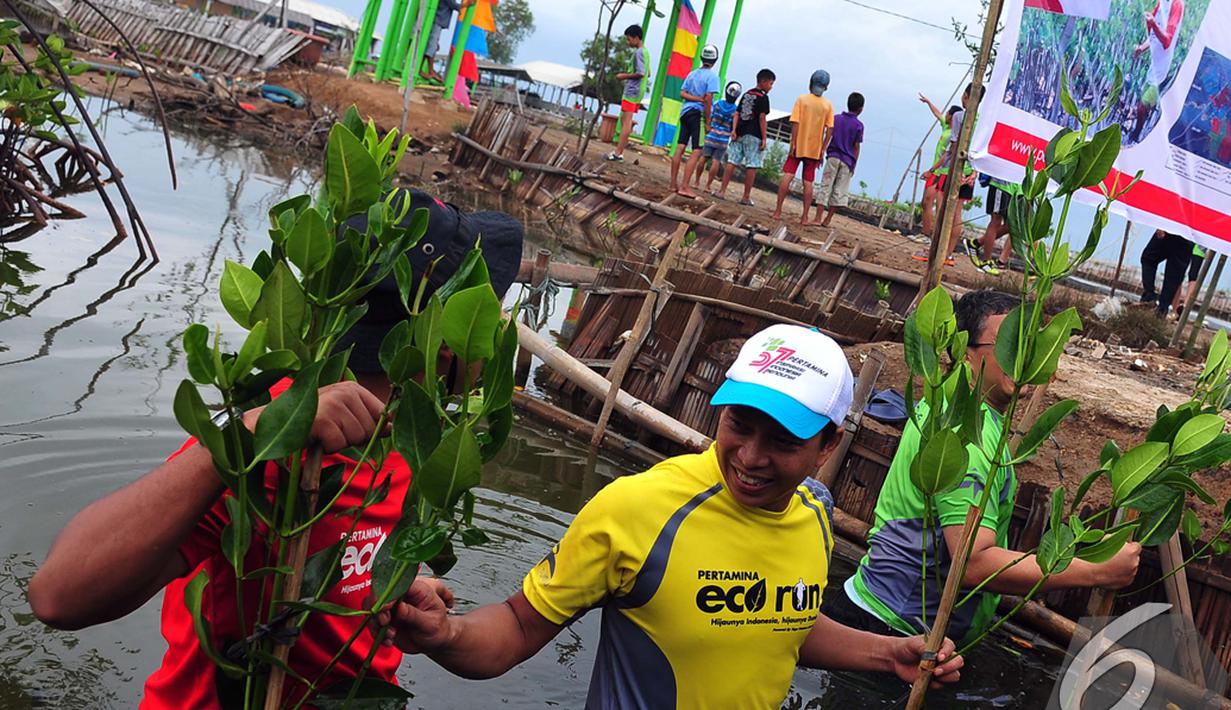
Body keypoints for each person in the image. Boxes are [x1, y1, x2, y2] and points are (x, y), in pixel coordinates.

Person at [28, 189, 525, 707]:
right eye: (487, 310)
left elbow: (347, 551)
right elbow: (58, 596)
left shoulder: (417, 438)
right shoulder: (273, 439)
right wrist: (244, 438)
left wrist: (394, 581)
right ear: (447, 339)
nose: (497, 329)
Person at [376, 324, 965, 706]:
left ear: (829, 445)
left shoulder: (814, 514)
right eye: (739, 425)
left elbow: (781, 622)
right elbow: (518, 627)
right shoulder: (638, 509)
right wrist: (447, 634)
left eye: (783, 441)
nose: (751, 457)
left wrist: (887, 652)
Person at [844, 290, 1141, 647]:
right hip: (893, 630)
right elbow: (972, 563)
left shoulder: (948, 404)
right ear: (965, 352)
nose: (1019, 357)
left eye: (1026, 345)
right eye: (1006, 344)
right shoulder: (965, 435)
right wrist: (1094, 569)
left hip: (888, 617)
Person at [915, 83, 983, 266]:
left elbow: (953, 147)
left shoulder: (960, 116)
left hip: (952, 171)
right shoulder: (983, 121)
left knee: (942, 212)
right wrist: (974, 172)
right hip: (969, 173)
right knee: (957, 215)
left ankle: (935, 251)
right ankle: (948, 254)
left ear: (966, 96)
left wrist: (936, 169)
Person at [772, 70, 835, 225]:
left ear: (811, 83)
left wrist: (793, 142)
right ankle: (805, 217)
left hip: (798, 146)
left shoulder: (802, 99)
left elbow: (795, 122)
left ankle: (778, 211)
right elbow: (830, 129)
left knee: (788, 175)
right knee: (808, 182)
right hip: (814, 149)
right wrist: (822, 149)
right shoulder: (827, 105)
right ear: (826, 87)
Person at [718, 69, 775, 205]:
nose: (771, 87)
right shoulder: (763, 98)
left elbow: (737, 114)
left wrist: (734, 130)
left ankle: (722, 191)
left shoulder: (746, 94)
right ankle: (746, 196)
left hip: (739, 132)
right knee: (752, 165)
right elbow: (762, 118)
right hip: (754, 135)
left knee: (732, 161)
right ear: (763, 82)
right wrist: (764, 138)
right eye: (771, 84)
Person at [671, 44, 721, 197]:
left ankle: (673, 184)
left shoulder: (692, 74)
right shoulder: (713, 77)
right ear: (715, 60)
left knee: (680, 146)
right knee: (697, 150)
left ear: (701, 57)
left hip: (685, 112)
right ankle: (685, 186)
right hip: (698, 114)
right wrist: (708, 121)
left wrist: (695, 98)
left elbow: (682, 93)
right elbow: (708, 99)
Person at [1131, 0, 1184, 142]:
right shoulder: (1161, 2)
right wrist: (1141, 48)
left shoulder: (1177, 4)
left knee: (1143, 106)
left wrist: (1153, 23)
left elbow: (1167, 41)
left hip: (1162, 70)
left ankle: (1136, 137)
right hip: (1153, 67)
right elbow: (1153, 36)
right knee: (1142, 107)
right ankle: (1139, 136)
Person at [814, 91, 865, 228]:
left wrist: (821, 152)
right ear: (861, 109)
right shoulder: (859, 125)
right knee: (839, 191)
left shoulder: (836, 119)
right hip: (847, 161)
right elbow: (856, 147)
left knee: (825, 186)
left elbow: (828, 136)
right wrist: (854, 164)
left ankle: (818, 218)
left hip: (833, 157)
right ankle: (827, 219)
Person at [605, 24, 651, 163]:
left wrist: (623, 76)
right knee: (626, 121)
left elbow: (641, 73)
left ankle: (618, 153)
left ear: (636, 38)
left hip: (632, 92)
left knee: (626, 122)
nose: (628, 42)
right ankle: (619, 151)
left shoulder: (638, 53)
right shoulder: (645, 52)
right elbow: (648, 73)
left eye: (629, 39)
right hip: (638, 91)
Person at [918, 96, 961, 239]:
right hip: (936, 170)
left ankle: (929, 235)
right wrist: (928, 102)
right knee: (926, 202)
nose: (945, 114)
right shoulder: (946, 127)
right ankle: (926, 232)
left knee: (931, 203)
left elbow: (947, 156)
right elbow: (937, 113)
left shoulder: (954, 135)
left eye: (948, 113)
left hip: (940, 171)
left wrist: (931, 170)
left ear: (952, 117)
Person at [967, 177, 1022, 275]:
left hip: (1017, 188)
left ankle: (976, 243)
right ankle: (986, 261)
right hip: (1002, 184)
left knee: (1011, 226)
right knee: (996, 221)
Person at [1140, 229, 1194, 317]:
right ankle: (1162, 309)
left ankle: (1150, 299)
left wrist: (1162, 227)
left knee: (1149, 259)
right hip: (1189, 237)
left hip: (1172, 231)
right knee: (1174, 276)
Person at [701, 81, 741, 196]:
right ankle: (708, 185)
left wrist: (708, 125)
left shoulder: (718, 104)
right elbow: (734, 125)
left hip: (711, 135)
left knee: (704, 158)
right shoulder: (735, 110)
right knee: (716, 161)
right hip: (723, 139)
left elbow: (710, 115)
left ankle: (697, 181)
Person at [420, 0, 473, 83]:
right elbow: (453, 5)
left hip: (438, 20)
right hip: (437, 20)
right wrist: (466, 4)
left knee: (432, 46)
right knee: (431, 46)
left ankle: (430, 70)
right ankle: (426, 70)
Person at [1170, 244, 1208, 319]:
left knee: (1187, 275)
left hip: (1198, 247)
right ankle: (1179, 309)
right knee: (1186, 275)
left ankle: (1180, 309)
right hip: (1195, 246)